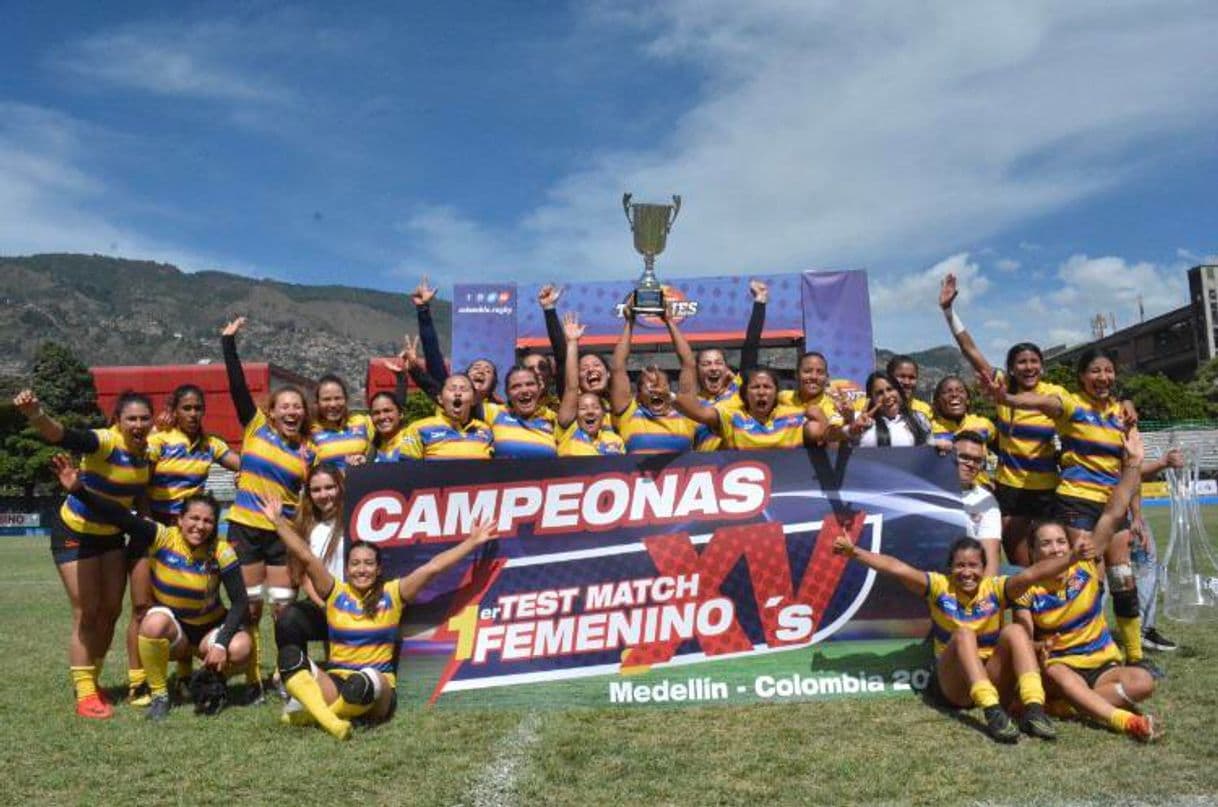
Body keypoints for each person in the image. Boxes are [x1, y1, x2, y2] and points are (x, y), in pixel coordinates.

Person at [259, 493, 499, 739]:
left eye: (368, 564)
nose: (361, 570)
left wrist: (472, 542)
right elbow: (306, 556)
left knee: (366, 681)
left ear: (378, 568)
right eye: (355, 564)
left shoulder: (393, 593)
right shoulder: (334, 592)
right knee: (289, 658)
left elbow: (433, 568)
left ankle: (317, 714)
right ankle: (333, 721)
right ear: (347, 568)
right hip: (337, 681)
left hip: (378, 689)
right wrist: (277, 521)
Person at [50, 455, 252, 720]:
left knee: (242, 647)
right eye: (193, 518)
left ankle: (207, 678)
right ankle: (160, 695)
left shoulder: (221, 551)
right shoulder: (163, 537)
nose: (199, 526)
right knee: (151, 623)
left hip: (207, 632)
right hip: (176, 632)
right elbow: (119, 516)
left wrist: (222, 644)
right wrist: (79, 490)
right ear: (180, 520)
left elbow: (239, 602)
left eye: (207, 521)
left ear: (215, 525)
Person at [987, 348, 1147, 665]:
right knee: (1088, 578)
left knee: (1123, 578)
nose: (1102, 377)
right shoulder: (1071, 404)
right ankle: (1090, 647)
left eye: (1108, 371)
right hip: (1077, 502)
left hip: (1115, 504)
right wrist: (1007, 399)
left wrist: (1138, 514)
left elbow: (1134, 466)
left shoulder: (1124, 415)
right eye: (1095, 371)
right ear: (1082, 377)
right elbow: (1039, 402)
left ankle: (1136, 655)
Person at [833, 534, 1073, 742]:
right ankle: (992, 712)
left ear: (984, 568)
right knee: (964, 634)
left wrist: (1074, 557)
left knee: (1015, 631)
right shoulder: (939, 587)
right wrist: (855, 553)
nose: (967, 572)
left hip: (991, 677)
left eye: (973, 565)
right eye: (960, 566)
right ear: (950, 568)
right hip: (954, 687)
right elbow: (897, 568)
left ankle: (1034, 710)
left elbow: (1033, 574)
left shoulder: (996, 589)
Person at [1013, 428, 1162, 742]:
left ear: (1068, 546)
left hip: (1101, 664)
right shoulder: (1027, 588)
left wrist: (1133, 464)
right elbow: (1025, 639)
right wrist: (1040, 647)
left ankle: (1069, 708)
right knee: (1060, 675)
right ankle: (1126, 722)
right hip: (1060, 667)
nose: (1054, 549)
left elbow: (1112, 512)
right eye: (1045, 544)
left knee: (1144, 682)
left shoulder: (1085, 566)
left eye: (1058, 542)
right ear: (1033, 552)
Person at [13, 387, 153, 718]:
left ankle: (91, 679)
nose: (138, 423)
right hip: (76, 532)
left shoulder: (148, 451)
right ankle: (86, 694)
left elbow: (142, 491)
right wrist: (36, 414)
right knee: (87, 611)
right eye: (130, 418)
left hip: (112, 536)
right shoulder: (104, 441)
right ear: (117, 421)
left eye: (144, 418)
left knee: (111, 610)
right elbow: (63, 435)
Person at [939, 273, 1067, 566]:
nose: (1028, 367)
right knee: (1022, 570)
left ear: (1043, 368)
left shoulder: (1055, 393)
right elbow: (970, 351)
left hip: (1048, 490)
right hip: (1011, 492)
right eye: (1021, 362)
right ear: (1009, 368)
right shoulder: (1002, 386)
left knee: (1051, 565)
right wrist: (949, 312)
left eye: (1034, 362)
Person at [221, 316, 317, 697]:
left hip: (283, 534)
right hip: (245, 528)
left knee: (283, 610)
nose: (292, 411)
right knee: (251, 610)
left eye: (298, 407)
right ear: (273, 411)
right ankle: (252, 678)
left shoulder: (307, 452)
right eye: (285, 406)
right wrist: (228, 344)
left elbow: (314, 496)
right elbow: (237, 387)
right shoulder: (255, 428)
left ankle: (284, 675)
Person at [131, 384, 241, 704]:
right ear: (174, 410)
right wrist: (149, 521)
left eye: (197, 408)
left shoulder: (210, 445)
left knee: (190, 601)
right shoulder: (161, 440)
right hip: (158, 531)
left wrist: (242, 477)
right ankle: (139, 681)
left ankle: (184, 675)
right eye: (186, 408)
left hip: (195, 532)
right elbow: (140, 478)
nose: (193, 414)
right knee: (143, 608)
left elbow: (244, 464)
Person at [668, 315, 830, 449]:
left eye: (718, 363)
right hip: (709, 473)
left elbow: (751, 346)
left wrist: (760, 301)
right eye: (706, 364)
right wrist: (669, 321)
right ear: (697, 370)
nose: (713, 368)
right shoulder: (694, 402)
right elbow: (687, 362)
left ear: (727, 369)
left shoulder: (739, 390)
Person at [273, 463, 347, 715]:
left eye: (330, 487)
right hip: (324, 604)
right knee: (288, 617)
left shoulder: (357, 516)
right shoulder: (304, 525)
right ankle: (295, 683)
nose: (324, 494)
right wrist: (325, 606)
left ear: (340, 486)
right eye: (316, 490)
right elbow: (303, 575)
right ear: (308, 493)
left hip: (358, 608)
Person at [609, 304, 701, 454]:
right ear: (638, 396)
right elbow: (617, 367)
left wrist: (669, 321)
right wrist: (630, 322)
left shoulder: (685, 412)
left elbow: (688, 364)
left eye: (660, 384)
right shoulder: (628, 413)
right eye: (649, 385)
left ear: (670, 390)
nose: (655, 390)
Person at [556, 312, 625, 456]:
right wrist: (572, 342)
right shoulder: (570, 419)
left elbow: (619, 367)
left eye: (596, 365)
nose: (591, 369)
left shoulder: (618, 412)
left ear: (608, 373)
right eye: (584, 368)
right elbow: (571, 387)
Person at [399, 374, 494, 460]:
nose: (458, 393)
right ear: (440, 398)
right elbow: (407, 471)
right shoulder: (418, 429)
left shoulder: (485, 430)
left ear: (473, 400)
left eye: (464, 389)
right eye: (452, 389)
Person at [929, 376, 996, 488]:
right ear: (937, 401)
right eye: (947, 392)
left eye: (960, 391)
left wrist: (991, 480)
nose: (954, 394)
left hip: (979, 494)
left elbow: (1002, 450)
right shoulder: (928, 429)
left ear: (968, 399)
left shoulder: (985, 425)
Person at [485, 364, 560, 460]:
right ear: (507, 393)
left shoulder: (552, 418)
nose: (524, 390)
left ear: (539, 388)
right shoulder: (495, 412)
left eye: (530, 384)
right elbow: (468, 402)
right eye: (516, 386)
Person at [954, 431, 1002, 576]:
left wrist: (985, 597)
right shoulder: (926, 490)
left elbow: (990, 556)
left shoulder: (986, 501)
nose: (970, 464)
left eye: (977, 460)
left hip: (967, 573)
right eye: (964, 457)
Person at [848, 371, 931, 447]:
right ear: (871, 399)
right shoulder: (858, 420)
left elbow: (928, 450)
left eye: (890, 389)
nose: (887, 396)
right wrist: (851, 431)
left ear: (899, 391)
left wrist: (939, 445)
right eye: (879, 393)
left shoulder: (918, 419)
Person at [310, 375, 373, 470]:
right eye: (326, 399)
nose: (333, 404)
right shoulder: (311, 431)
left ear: (346, 399)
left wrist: (367, 459)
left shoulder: (363, 422)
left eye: (338, 398)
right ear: (317, 402)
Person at [885, 355, 934, 420]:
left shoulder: (925, 411)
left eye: (912, 378)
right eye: (902, 376)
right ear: (888, 377)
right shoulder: (871, 406)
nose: (907, 382)